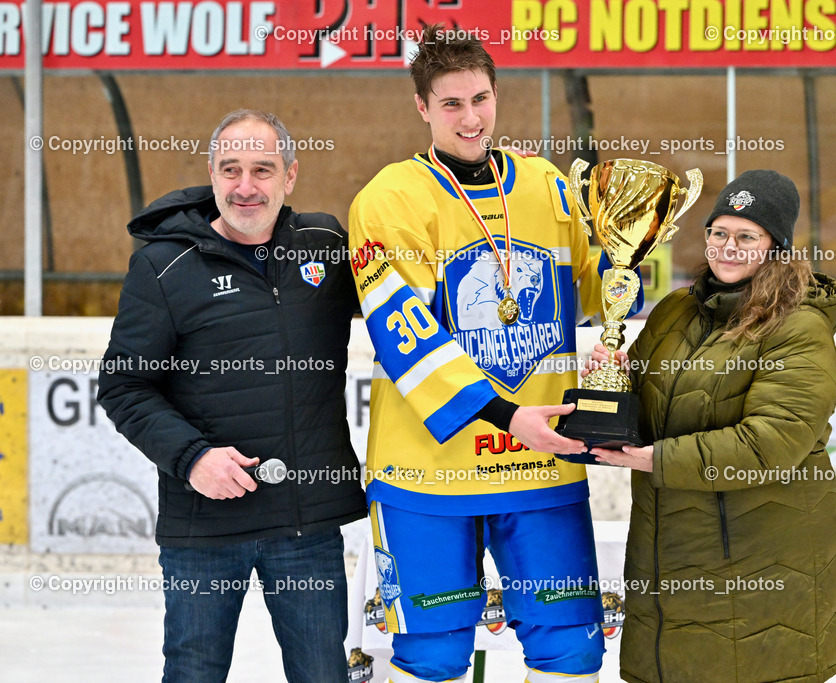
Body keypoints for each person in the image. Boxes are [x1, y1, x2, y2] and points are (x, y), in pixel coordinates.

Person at [347, 24, 643, 683]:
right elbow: (406, 335)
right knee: (433, 655)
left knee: (572, 647)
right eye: (451, 104)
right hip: (428, 474)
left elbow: (594, 291)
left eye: (480, 99)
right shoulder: (389, 199)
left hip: (542, 467)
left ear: (497, 95)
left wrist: (629, 267)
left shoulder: (547, 185)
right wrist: (509, 415)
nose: (470, 117)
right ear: (422, 107)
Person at [97, 109, 366, 682]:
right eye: (231, 169)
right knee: (194, 672)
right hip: (205, 527)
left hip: (306, 524)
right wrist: (193, 458)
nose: (246, 187)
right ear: (213, 174)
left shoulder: (325, 245)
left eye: (263, 170)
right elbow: (123, 384)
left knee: (323, 673)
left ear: (290, 176)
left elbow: (410, 310)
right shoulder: (163, 266)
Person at [589, 170, 836, 682]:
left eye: (747, 236)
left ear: (775, 246)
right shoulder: (675, 312)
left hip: (759, 569)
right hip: (668, 559)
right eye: (718, 233)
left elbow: (769, 443)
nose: (728, 247)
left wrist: (654, 459)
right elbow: (645, 404)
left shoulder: (798, 328)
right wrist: (609, 383)